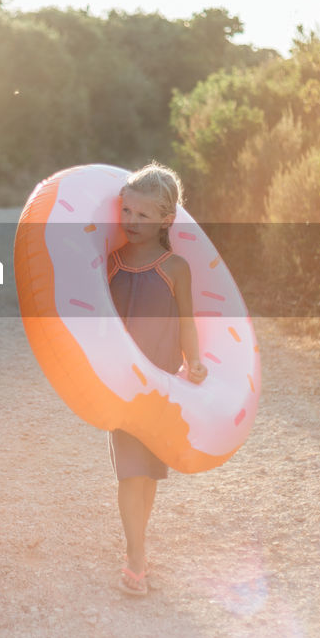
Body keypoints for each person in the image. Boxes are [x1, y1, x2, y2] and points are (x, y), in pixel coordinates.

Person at [108, 163, 207, 596]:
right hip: (120, 387)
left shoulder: (175, 268)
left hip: (162, 385)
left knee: (148, 475)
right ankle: (135, 558)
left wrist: (195, 361)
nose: (132, 222)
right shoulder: (109, 265)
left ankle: (139, 547)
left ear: (167, 219)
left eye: (144, 216)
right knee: (130, 473)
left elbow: (187, 323)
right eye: (127, 211)